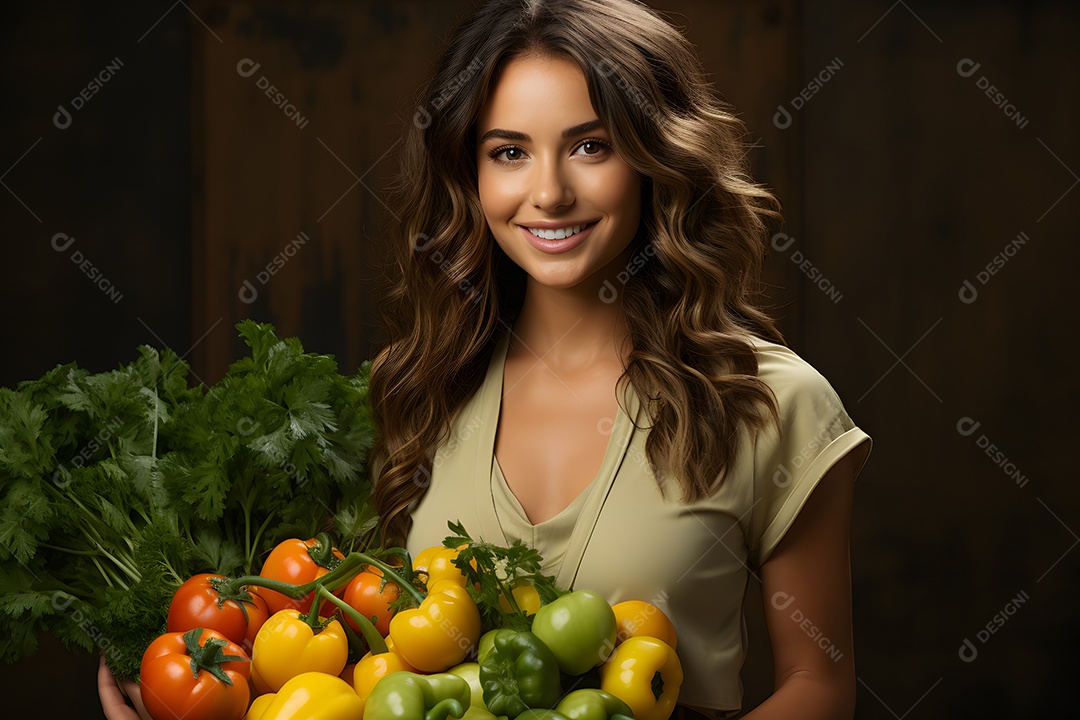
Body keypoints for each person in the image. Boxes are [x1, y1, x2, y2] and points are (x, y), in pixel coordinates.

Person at [101, 1, 871, 718]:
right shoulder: (413, 388)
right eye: (509, 152)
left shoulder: (768, 401)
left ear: (655, 158)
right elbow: (353, 672)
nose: (549, 192)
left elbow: (820, 683)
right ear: (469, 176)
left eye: (591, 146)